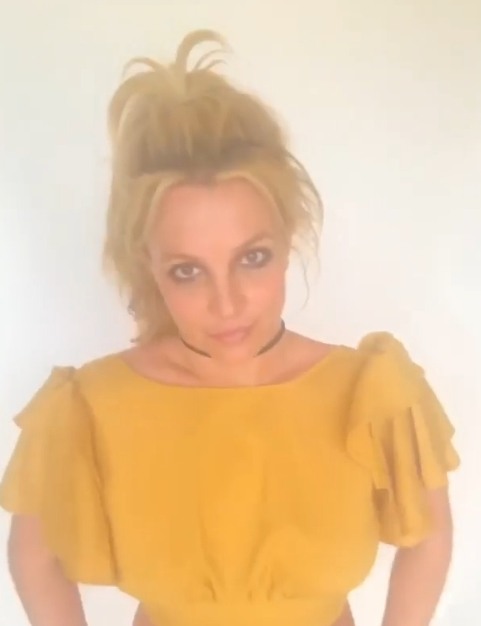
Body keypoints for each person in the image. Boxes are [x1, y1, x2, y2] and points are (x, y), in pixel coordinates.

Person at [0, 29, 460, 626]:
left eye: (252, 258)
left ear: (288, 239)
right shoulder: (88, 407)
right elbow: (33, 558)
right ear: (147, 266)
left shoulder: (370, 392)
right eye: (188, 271)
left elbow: (430, 535)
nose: (227, 303)